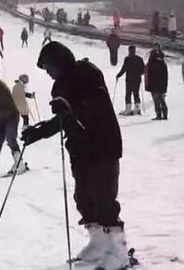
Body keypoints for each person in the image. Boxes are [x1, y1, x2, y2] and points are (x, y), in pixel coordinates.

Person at [21, 41, 127, 269]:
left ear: (60, 62)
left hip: (102, 144)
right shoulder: (60, 86)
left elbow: (96, 105)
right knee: (84, 197)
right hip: (80, 149)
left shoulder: (86, 73)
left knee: (103, 196)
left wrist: (71, 109)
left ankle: (117, 251)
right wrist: (38, 132)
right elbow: (63, 119)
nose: (48, 73)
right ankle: (98, 243)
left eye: (49, 67)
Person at [116, 46, 145, 116]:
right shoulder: (139, 59)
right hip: (137, 79)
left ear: (129, 51)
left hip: (129, 79)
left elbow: (124, 69)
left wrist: (118, 75)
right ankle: (137, 109)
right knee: (136, 93)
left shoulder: (127, 59)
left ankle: (128, 109)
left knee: (128, 94)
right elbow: (143, 69)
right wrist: (139, 73)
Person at [145, 45, 169, 120]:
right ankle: (165, 115)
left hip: (153, 85)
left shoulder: (151, 64)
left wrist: (148, 85)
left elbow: (148, 75)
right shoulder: (163, 64)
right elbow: (166, 76)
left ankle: (159, 115)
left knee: (156, 100)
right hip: (161, 85)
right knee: (162, 100)